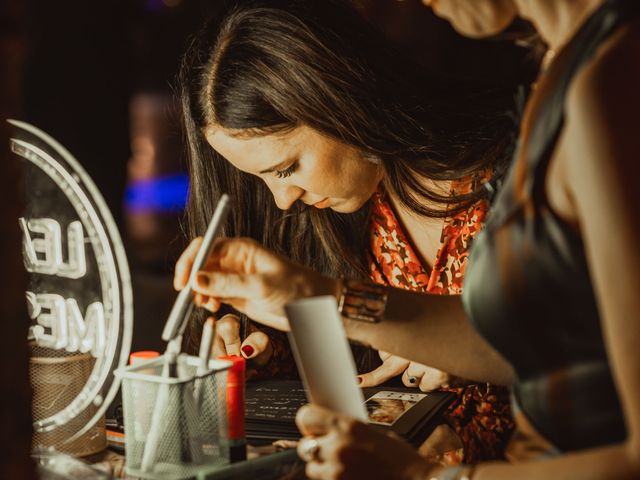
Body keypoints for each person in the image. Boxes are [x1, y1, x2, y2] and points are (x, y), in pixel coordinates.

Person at [176, 0, 640, 478]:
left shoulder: (601, 85)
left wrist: (422, 477)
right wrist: (304, 306)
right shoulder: (567, 75)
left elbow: (550, 364)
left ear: (336, 98)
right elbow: (525, 341)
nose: (281, 202)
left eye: (288, 168)